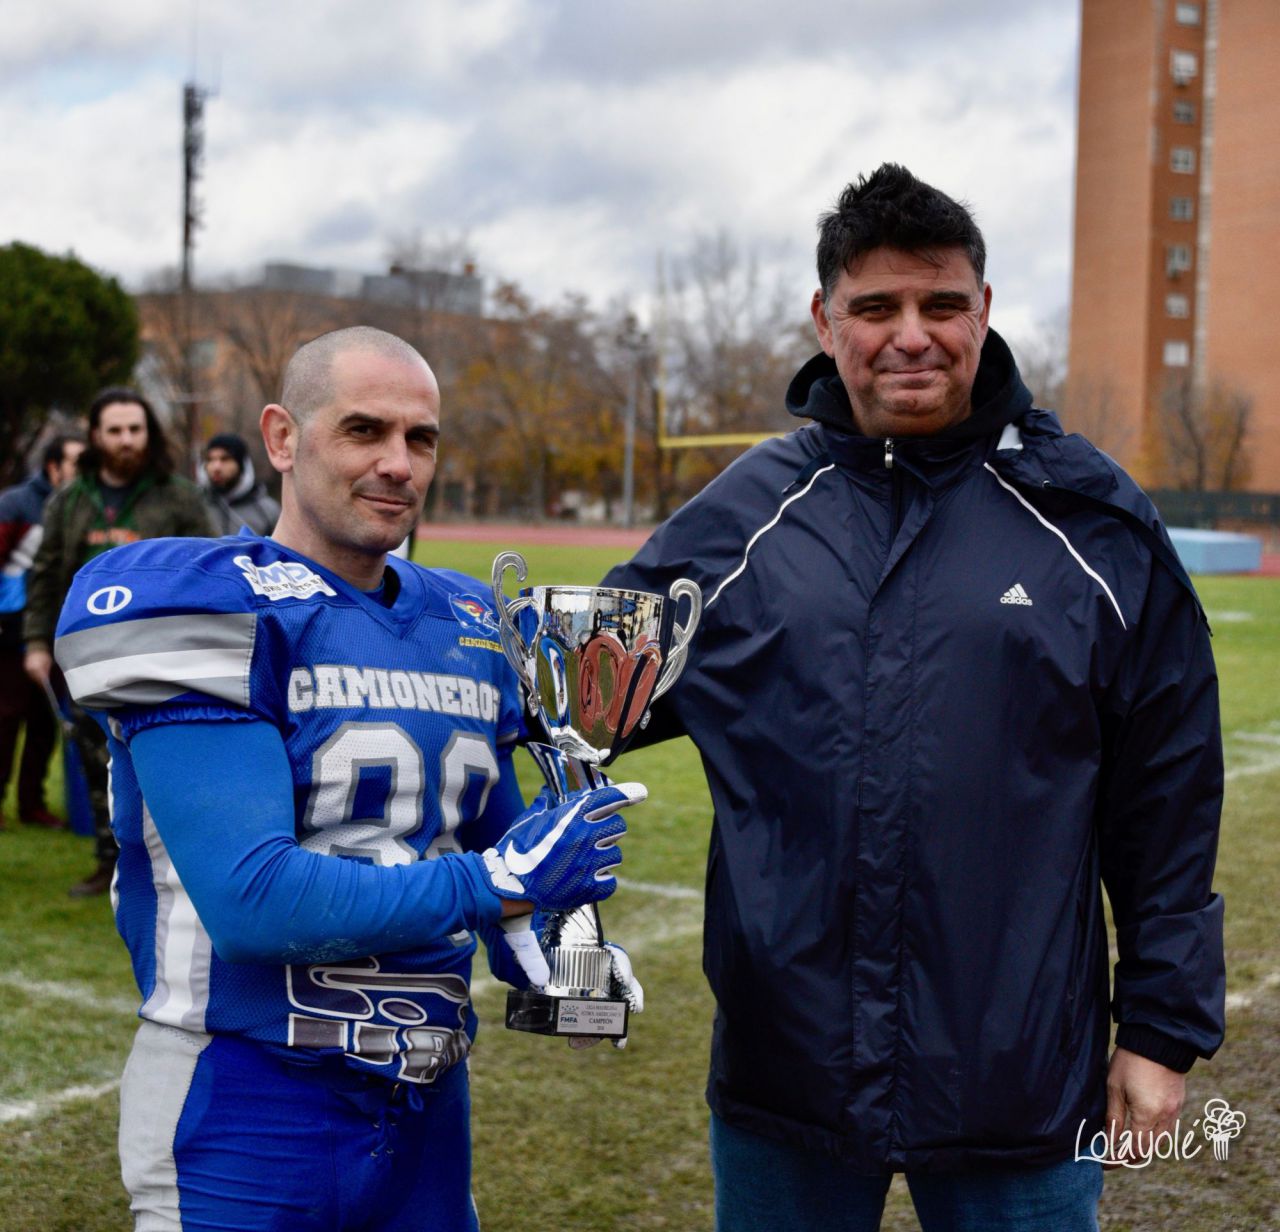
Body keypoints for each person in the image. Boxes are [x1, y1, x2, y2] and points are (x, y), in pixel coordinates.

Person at [604, 164, 1225, 1231]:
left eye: (941, 304)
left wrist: (1159, 1027)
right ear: (822, 317)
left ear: (982, 310)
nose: (911, 334)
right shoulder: (744, 518)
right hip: (785, 1076)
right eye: (875, 306)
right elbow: (576, 701)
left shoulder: (1089, 520)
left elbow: (1165, 794)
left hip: (1019, 1082)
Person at [54, 326, 645, 1232]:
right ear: (283, 439)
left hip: (427, 1105)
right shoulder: (210, 603)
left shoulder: (470, 620)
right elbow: (254, 901)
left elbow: (504, 845)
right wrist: (495, 884)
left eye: (421, 439)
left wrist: (552, 951)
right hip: (247, 1097)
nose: (398, 464)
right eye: (364, 431)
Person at [23, 389, 212, 895]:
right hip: (86, 658)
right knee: (96, 764)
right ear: (96, 437)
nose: (126, 440)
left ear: (148, 432)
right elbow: (44, 576)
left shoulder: (180, 498)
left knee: (167, 763)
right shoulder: (69, 500)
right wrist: (37, 642)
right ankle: (111, 862)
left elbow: (212, 574)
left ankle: (177, 867)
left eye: (135, 429)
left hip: (164, 659)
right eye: (115, 430)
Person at [0, 434, 84, 830]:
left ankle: (32, 804)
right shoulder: (15, 504)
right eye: (75, 463)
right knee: (5, 719)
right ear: (54, 467)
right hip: (10, 632)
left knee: (43, 723)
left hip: (55, 633)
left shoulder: (78, 507)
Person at [199, 431, 281, 536]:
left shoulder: (268, 511)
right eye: (210, 459)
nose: (216, 467)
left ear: (242, 465)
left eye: (225, 459)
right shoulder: (195, 505)